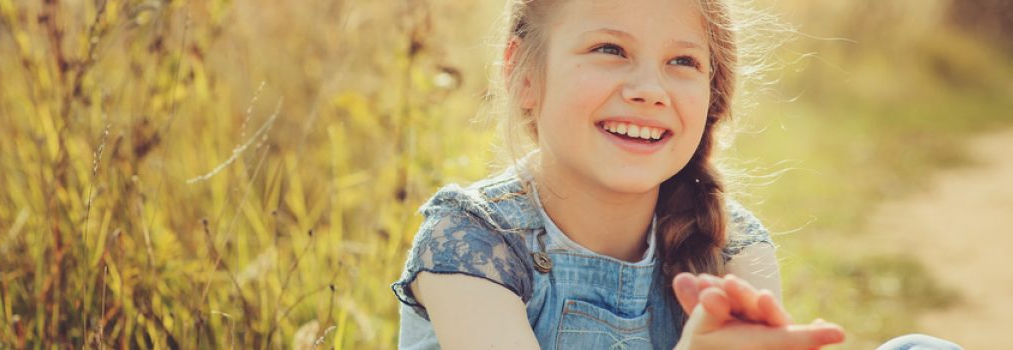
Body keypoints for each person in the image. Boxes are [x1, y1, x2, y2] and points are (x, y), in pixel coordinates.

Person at [390, 0, 963, 349]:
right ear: (525, 75)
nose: (649, 90)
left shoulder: (732, 247)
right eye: (609, 48)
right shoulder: (471, 245)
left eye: (682, 62)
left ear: (711, 92)